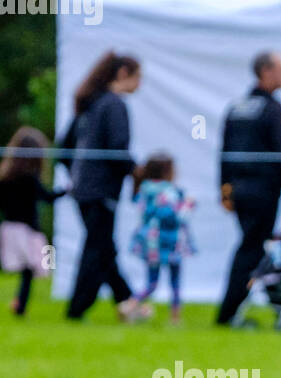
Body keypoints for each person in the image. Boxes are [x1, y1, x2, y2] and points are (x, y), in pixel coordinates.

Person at [216, 51, 281, 326]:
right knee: (251, 250)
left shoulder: (237, 107)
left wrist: (225, 189)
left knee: (255, 248)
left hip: (240, 191)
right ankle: (229, 312)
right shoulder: (274, 111)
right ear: (266, 72)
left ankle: (279, 304)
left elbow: (224, 152)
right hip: (263, 192)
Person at [63, 51, 143, 322]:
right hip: (101, 191)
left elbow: (64, 148)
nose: (140, 84)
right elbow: (117, 149)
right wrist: (138, 173)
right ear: (123, 74)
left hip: (83, 189)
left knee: (103, 247)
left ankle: (128, 300)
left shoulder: (90, 104)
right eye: (137, 77)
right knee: (96, 250)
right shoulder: (114, 105)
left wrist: (76, 176)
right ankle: (76, 310)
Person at [0, 127, 62, 317]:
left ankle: (19, 305)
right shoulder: (29, 178)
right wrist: (67, 190)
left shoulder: (6, 178)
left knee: (27, 267)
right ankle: (20, 305)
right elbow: (47, 197)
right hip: (27, 231)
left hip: (9, 228)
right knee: (37, 265)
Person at [128, 152, 195, 325]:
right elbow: (174, 217)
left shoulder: (144, 189)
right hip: (169, 241)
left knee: (151, 282)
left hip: (150, 243)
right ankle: (175, 318)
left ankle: (130, 305)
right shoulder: (169, 192)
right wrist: (187, 206)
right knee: (175, 282)